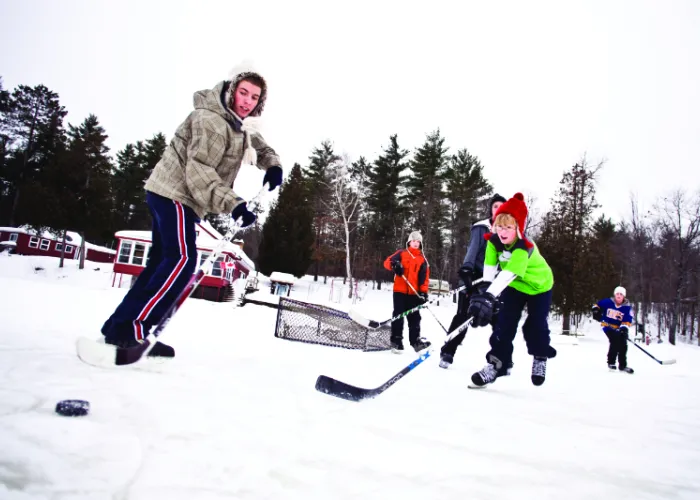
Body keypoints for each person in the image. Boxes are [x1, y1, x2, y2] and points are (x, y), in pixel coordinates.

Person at [100, 66, 283, 358]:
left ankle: (122, 327)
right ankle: (132, 329)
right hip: (176, 193)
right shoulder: (211, 121)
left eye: (254, 97)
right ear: (231, 89)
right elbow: (198, 170)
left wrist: (272, 165)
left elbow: (257, 145)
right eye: (243, 92)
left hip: (175, 196)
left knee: (163, 263)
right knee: (182, 260)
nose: (247, 101)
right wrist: (233, 202)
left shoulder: (238, 124)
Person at [467, 193, 556, 387]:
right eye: (499, 226)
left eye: (508, 227)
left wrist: (490, 296)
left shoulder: (524, 247)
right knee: (503, 325)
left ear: (518, 228)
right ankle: (496, 365)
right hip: (515, 288)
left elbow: (509, 274)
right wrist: (483, 295)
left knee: (535, 325)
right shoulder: (493, 241)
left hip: (539, 286)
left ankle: (540, 356)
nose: (503, 231)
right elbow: (489, 272)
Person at [439, 193, 506, 369]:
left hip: (494, 282)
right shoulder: (481, 228)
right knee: (463, 315)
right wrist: (467, 270)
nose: (498, 209)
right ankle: (448, 351)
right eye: (495, 206)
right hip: (475, 277)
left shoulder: (508, 231)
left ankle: (500, 358)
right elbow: (472, 249)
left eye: (501, 207)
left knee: (499, 320)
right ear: (491, 210)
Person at [383, 231, 432, 353]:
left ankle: (415, 342)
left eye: (418, 241)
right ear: (409, 242)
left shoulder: (422, 260)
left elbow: (424, 278)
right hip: (399, 291)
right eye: (413, 241)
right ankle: (396, 341)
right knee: (398, 315)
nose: (415, 243)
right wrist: (395, 265)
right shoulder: (401, 253)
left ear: (420, 244)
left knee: (415, 317)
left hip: (414, 293)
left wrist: (423, 293)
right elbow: (387, 263)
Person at [592, 286, 634, 373]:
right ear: (614, 295)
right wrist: (596, 311)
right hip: (607, 326)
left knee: (623, 344)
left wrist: (624, 329)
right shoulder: (608, 302)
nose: (619, 296)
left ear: (624, 296)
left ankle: (622, 365)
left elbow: (627, 320)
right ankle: (611, 362)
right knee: (614, 340)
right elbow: (596, 305)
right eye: (617, 294)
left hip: (619, 328)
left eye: (621, 294)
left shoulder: (627, 308)